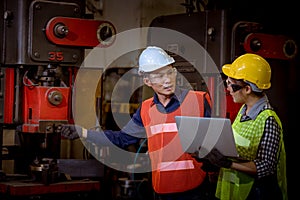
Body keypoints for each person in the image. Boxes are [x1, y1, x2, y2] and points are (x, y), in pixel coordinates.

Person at [61, 46, 214, 200]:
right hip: (161, 190)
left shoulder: (199, 100)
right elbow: (122, 139)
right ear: (147, 81)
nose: (167, 80)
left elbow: (216, 143)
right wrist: (83, 133)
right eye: (159, 76)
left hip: (196, 190)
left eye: (170, 73)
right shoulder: (146, 110)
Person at [203, 53, 287, 200]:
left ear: (247, 89)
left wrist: (228, 164)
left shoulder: (268, 120)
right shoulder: (243, 111)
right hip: (233, 193)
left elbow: (266, 167)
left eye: (231, 85)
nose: (227, 89)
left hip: (256, 194)